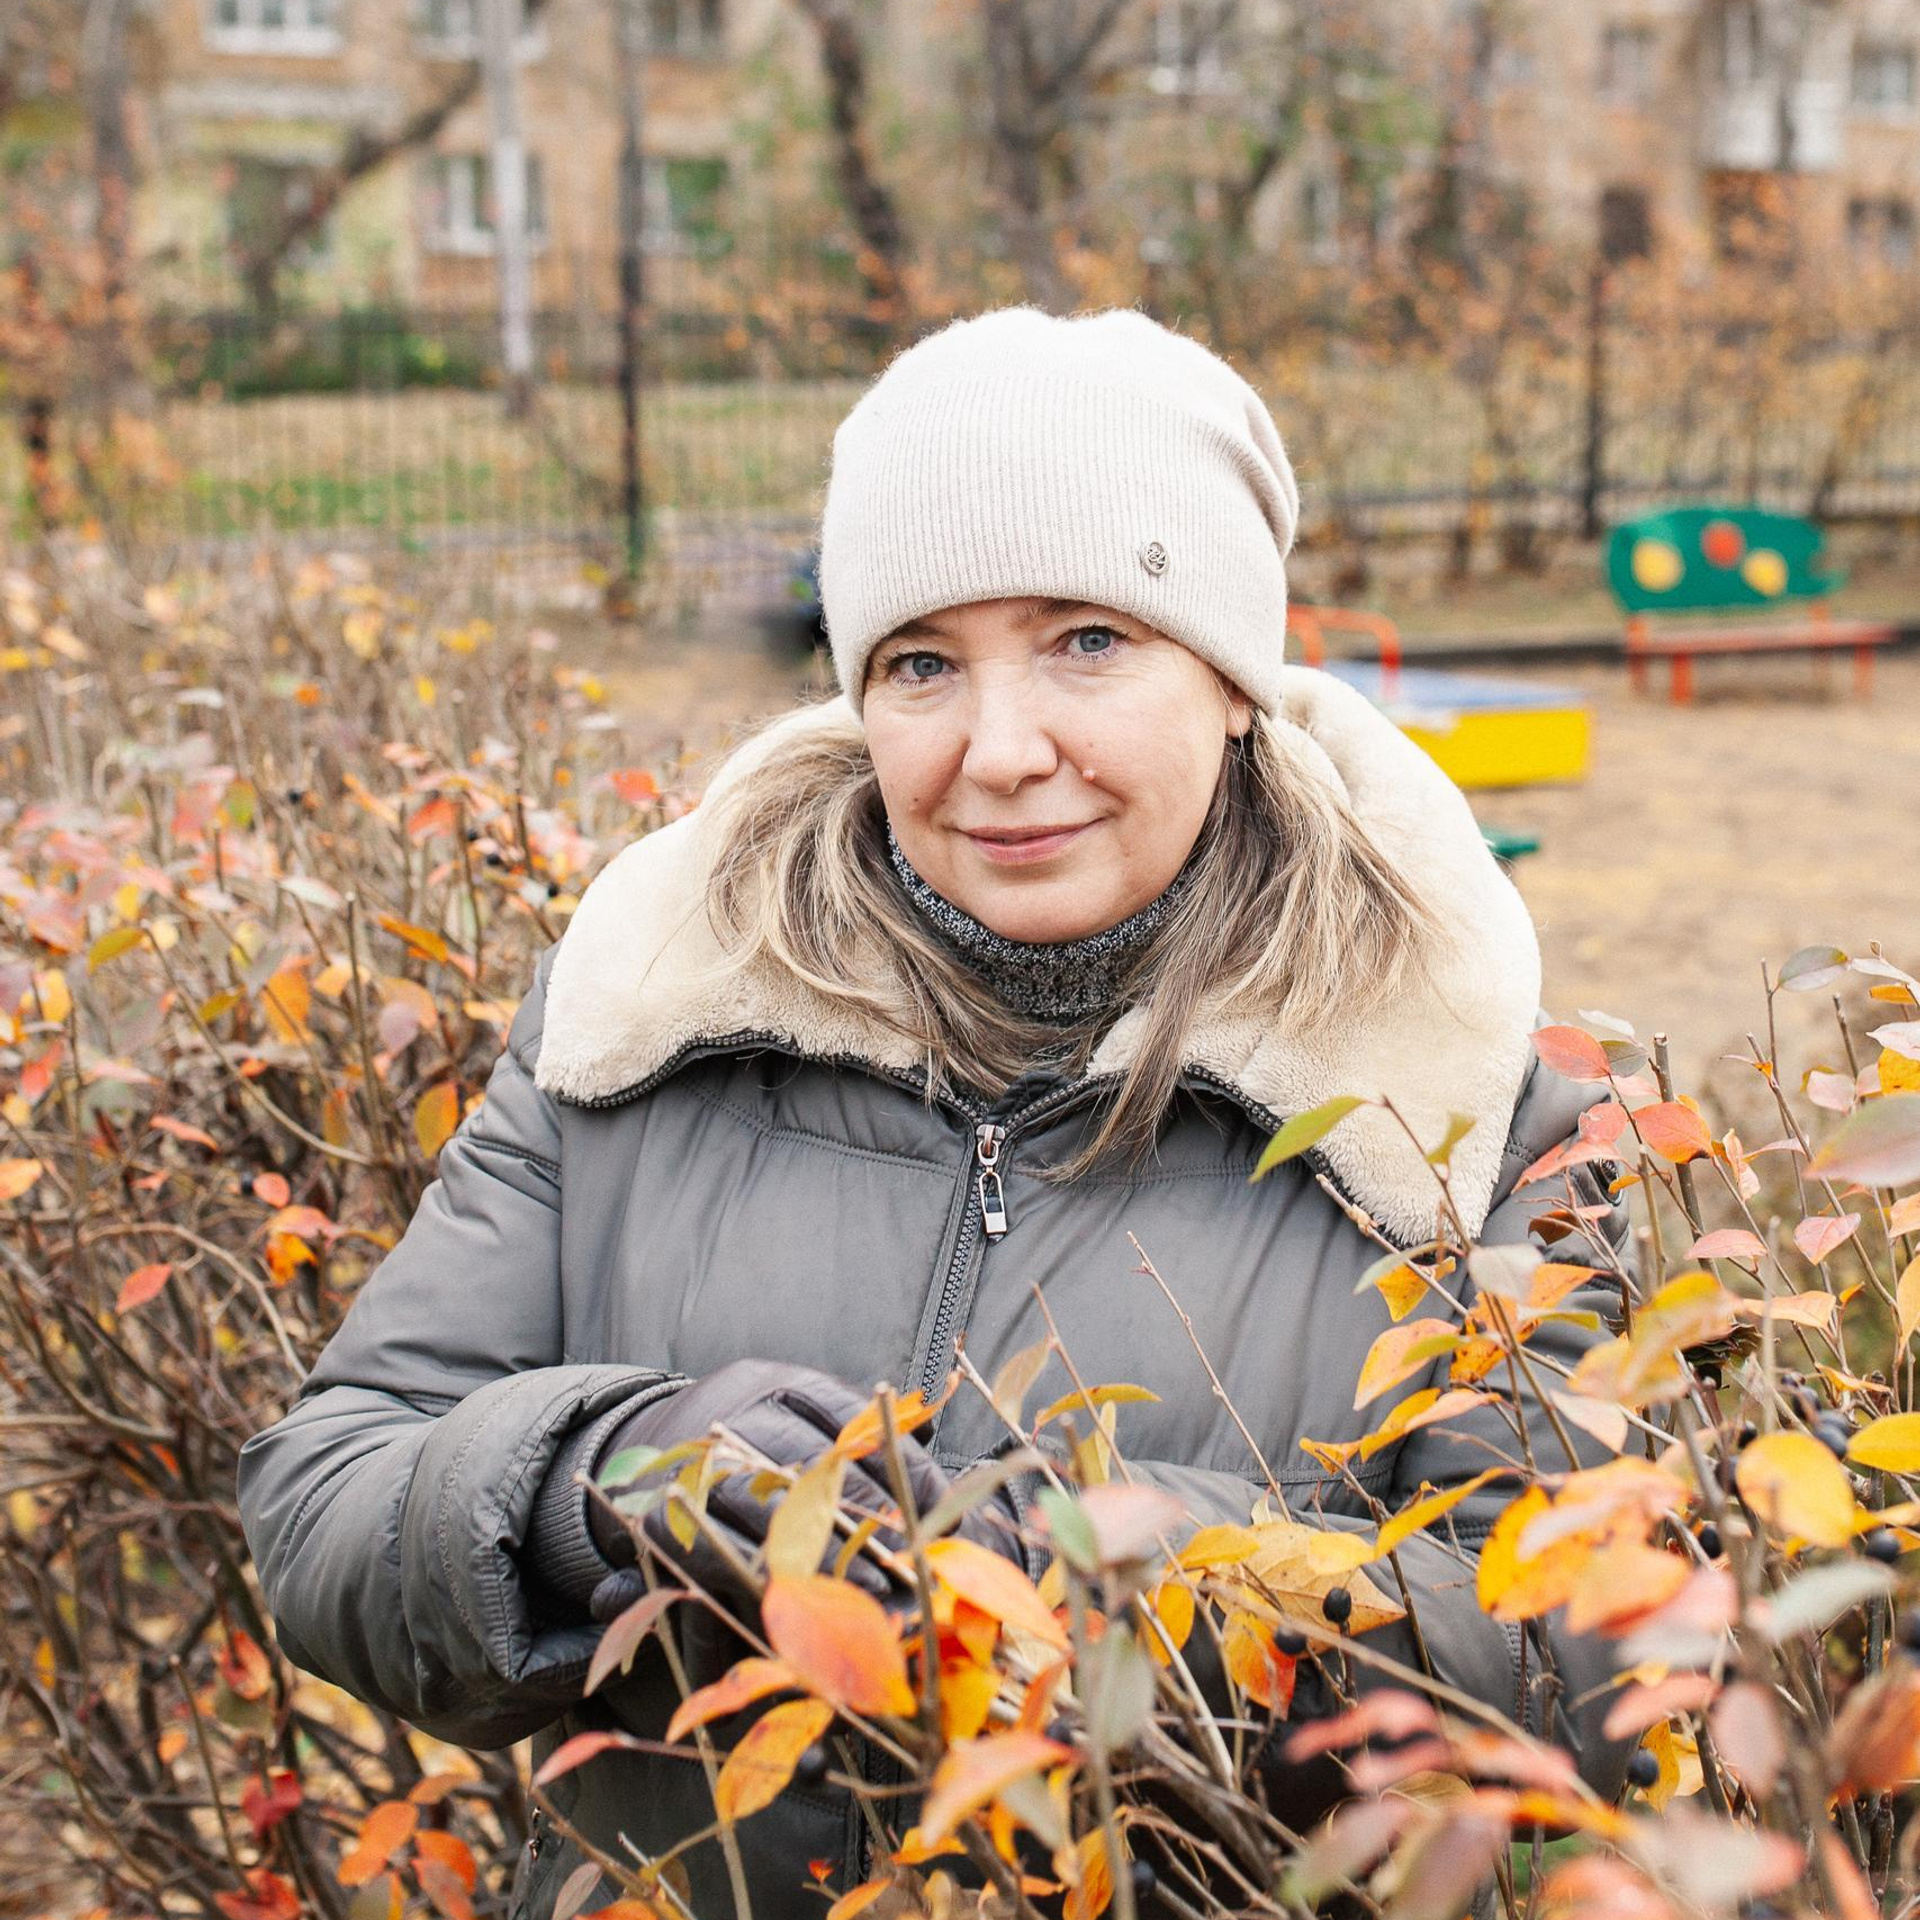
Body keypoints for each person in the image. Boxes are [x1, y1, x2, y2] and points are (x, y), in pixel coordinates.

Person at [237, 307, 1633, 1920]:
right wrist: (590, 1481)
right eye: (921, 665)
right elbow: (326, 1496)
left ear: (1236, 679)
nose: (1002, 749)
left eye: (1087, 641)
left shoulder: (1477, 1112)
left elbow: (1573, 1653)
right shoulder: (647, 1015)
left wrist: (1067, 1568)